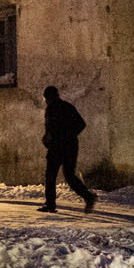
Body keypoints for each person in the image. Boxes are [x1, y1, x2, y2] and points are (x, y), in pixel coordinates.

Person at [39, 85, 96, 213]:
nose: (45, 101)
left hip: (57, 147)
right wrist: (69, 136)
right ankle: (88, 197)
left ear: (47, 98)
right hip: (70, 146)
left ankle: (50, 204)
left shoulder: (51, 109)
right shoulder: (67, 107)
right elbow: (81, 124)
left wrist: (55, 138)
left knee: (50, 176)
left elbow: (51, 130)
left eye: (45, 98)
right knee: (69, 176)